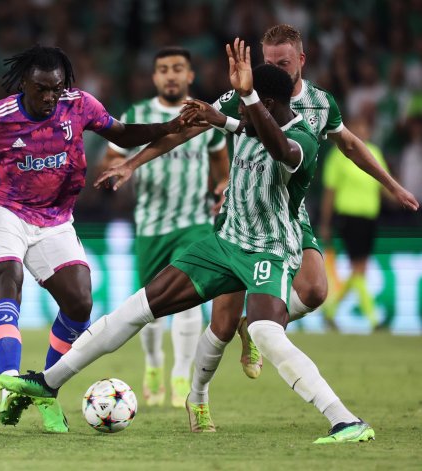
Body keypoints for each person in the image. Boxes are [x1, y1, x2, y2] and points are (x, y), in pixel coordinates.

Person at [0, 39, 376, 445]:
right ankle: (48, 382)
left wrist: (244, 100)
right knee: (136, 309)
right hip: (223, 242)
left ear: (266, 103)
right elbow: (245, 126)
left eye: (248, 103)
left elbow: (278, 146)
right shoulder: (253, 119)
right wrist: (216, 119)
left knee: (265, 332)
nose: (240, 109)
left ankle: (345, 420)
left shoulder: (304, 139)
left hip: (268, 250)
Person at [99, 24, 419, 432]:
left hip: (290, 214)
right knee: (221, 325)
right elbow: (187, 130)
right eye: (268, 62)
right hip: (243, 220)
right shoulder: (242, 95)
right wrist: (131, 163)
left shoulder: (321, 104)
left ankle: (257, 327)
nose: (274, 70)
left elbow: (351, 145)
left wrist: (392, 185)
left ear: (301, 60)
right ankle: (198, 396)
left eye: (282, 63)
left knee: (315, 290)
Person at [0, 45, 184, 433]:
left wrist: (168, 127)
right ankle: (9, 386)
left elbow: (121, 133)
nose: (50, 96)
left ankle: (45, 389)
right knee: (8, 277)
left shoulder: (79, 105)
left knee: (80, 302)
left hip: (54, 218)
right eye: (41, 89)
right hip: (2, 210)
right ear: (24, 84)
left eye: (57, 88)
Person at [101, 46, 229, 408]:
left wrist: (223, 189)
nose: (171, 75)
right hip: (151, 224)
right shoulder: (136, 115)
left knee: (189, 298)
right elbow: (112, 156)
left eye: (177, 68)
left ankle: (181, 375)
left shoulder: (206, 116)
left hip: (194, 223)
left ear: (189, 75)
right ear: (155, 77)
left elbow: (222, 171)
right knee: (150, 304)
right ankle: (154, 364)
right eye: (163, 69)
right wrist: (114, 168)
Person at [320, 119, 390, 330]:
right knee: (359, 268)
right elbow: (330, 192)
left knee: (360, 269)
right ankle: (374, 319)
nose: (361, 132)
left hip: (370, 217)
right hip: (349, 217)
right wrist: (325, 223)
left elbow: (383, 182)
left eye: (364, 128)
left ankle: (330, 310)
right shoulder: (338, 156)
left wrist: (400, 196)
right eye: (357, 129)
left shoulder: (374, 152)